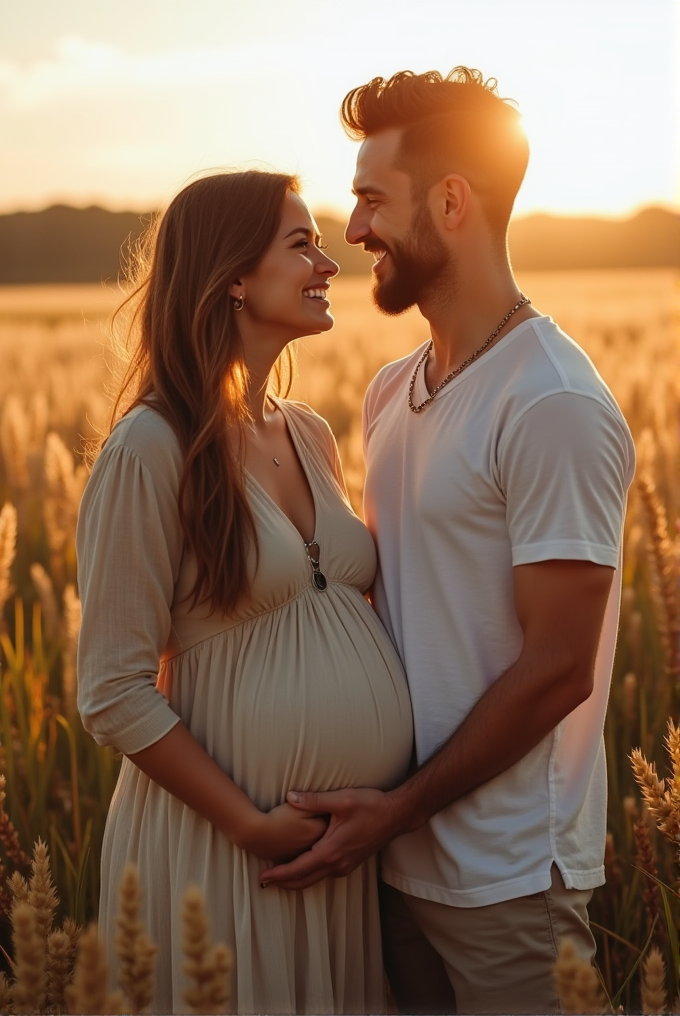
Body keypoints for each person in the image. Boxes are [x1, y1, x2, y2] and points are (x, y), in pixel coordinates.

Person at [260, 68, 636, 1014]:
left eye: (371, 200)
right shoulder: (393, 391)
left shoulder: (548, 400)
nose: (352, 232)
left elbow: (559, 666)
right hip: (390, 866)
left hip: (509, 881)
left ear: (453, 202)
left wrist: (401, 807)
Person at [76, 170, 413, 1015]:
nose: (328, 262)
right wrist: (248, 823)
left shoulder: (308, 432)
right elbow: (113, 690)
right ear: (232, 274)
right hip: (222, 860)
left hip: (333, 867)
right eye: (302, 244)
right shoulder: (151, 448)